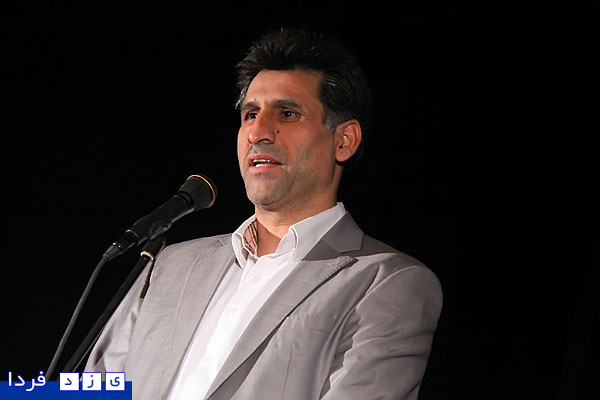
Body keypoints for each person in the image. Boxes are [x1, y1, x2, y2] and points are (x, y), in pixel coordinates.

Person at [85, 27, 443, 400]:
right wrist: (40, 390)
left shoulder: (387, 281)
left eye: (286, 114)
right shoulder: (170, 264)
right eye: (250, 114)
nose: (258, 132)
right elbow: (101, 387)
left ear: (344, 140)